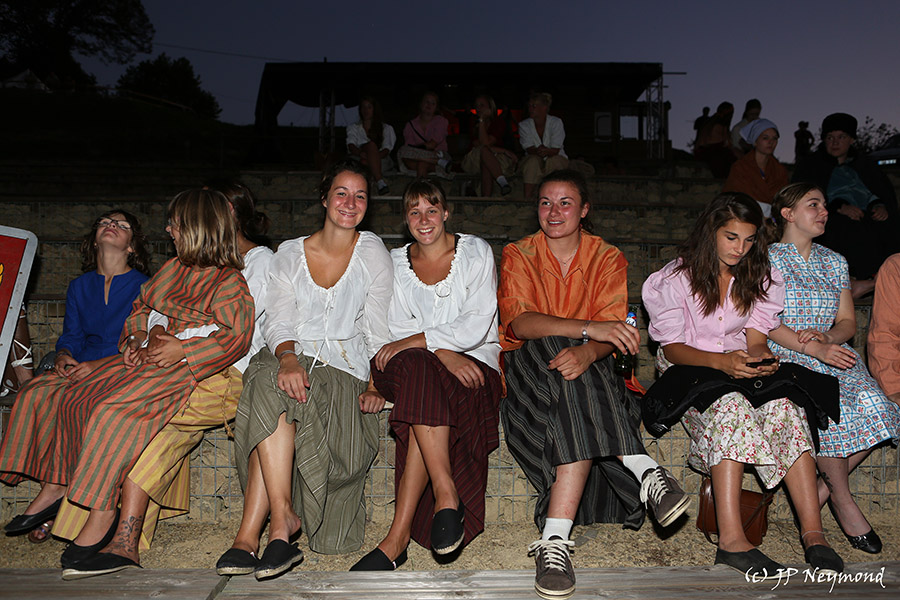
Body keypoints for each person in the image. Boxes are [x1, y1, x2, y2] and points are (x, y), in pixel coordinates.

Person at [49, 182, 276, 577]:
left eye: (175, 224)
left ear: (199, 228)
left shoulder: (234, 277)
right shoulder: (174, 268)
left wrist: (181, 348)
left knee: (121, 416)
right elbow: (142, 306)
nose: (168, 230)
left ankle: (106, 520)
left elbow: (236, 336)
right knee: (90, 401)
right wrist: (138, 338)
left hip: (212, 373)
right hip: (162, 366)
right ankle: (96, 519)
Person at [499, 170, 689, 600]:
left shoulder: (607, 257)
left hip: (591, 373)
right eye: (545, 202)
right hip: (530, 373)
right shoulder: (519, 253)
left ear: (584, 210)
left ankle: (554, 541)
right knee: (555, 344)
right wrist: (587, 332)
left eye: (565, 203)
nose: (554, 212)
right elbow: (521, 323)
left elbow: (615, 333)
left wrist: (589, 350)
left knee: (576, 373)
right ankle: (645, 469)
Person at [642, 192, 843, 578]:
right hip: (689, 365)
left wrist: (760, 357)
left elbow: (755, 337)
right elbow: (672, 348)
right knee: (732, 405)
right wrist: (721, 362)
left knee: (785, 407)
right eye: (731, 237)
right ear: (711, 232)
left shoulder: (757, 273)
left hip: (735, 360)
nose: (740, 248)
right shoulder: (674, 279)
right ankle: (732, 541)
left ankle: (814, 534)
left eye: (749, 239)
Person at [216, 161, 392, 580]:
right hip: (290, 355)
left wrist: (375, 382)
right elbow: (277, 320)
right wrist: (288, 358)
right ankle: (276, 524)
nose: (350, 203)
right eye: (341, 193)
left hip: (343, 367)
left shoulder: (372, 252)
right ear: (324, 198)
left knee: (267, 386)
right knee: (267, 376)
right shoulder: (290, 254)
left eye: (360, 195)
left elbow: (378, 327)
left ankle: (254, 534)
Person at [350, 179, 502, 571]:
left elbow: (477, 321)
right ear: (405, 219)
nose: (424, 219)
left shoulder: (475, 252)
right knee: (420, 370)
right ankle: (446, 493)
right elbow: (396, 328)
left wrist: (434, 347)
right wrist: (442, 352)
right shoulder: (396, 263)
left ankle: (396, 538)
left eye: (432, 210)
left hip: (472, 365)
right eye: (414, 212)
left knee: (423, 385)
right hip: (412, 366)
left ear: (446, 213)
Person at [0, 209, 151, 544]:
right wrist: (64, 356)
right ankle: (52, 490)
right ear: (94, 240)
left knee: (78, 402)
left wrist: (98, 367)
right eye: (105, 223)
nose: (111, 226)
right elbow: (71, 335)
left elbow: (140, 339)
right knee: (36, 393)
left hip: (122, 366)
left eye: (121, 225)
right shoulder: (79, 286)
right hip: (81, 365)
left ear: (132, 246)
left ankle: (58, 496)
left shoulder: (145, 286)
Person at [767, 182, 900, 556]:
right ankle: (843, 502)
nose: (824, 211)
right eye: (814, 205)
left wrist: (827, 338)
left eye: (825, 205)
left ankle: (818, 492)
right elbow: (763, 322)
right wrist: (812, 347)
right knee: (831, 406)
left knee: (881, 406)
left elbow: (848, 322)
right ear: (788, 213)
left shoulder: (835, 261)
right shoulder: (765, 259)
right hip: (788, 353)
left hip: (832, 352)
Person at [793, 112, 900, 288]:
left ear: (851, 140)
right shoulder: (811, 166)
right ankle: (853, 281)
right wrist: (839, 208)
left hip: (867, 214)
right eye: (830, 137)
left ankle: (884, 278)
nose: (835, 142)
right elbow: (801, 197)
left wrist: (880, 206)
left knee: (889, 225)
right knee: (845, 228)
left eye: (841, 137)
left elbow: (880, 192)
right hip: (830, 217)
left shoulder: (865, 165)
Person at [722, 119, 788, 218]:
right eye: (765, 138)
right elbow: (734, 197)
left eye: (774, 138)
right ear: (755, 141)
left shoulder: (780, 170)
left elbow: (783, 198)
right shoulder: (740, 167)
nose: (771, 142)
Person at [461, 94, 516, 196]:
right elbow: (482, 144)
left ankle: (486, 199)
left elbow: (487, 143)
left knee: (486, 159)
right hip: (474, 158)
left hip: (494, 158)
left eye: (482, 105)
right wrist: (481, 120)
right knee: (484, 151)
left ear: (491, 107)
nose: (478, 109)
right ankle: (502, 182)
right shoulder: (473, 122)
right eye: (476, 106)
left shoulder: (498, 122)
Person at [517, 92, 568, 200]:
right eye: (529, 106)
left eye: (534, 106)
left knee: (553, 161)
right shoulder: (524, 125)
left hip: (556, 157)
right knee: (532, 162)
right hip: (534, 157)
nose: (530, 109)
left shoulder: (556, 122)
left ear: (544, 108)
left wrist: (546, 151)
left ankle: (553, 197)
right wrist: (539, 151)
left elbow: (555, 149)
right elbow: (528, 147)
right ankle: (528, 198)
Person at [346, 96, 396, 195]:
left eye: (369, 107)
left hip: (381, 160)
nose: (366, 110)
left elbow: (386, 149)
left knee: (369, 152)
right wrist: (361, 153)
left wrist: (372, 156)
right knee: (368, 151)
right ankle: (380, 182)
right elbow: (351, 145)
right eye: (363, 107)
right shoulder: (354, 128)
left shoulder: (386, 128)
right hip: (359, 158)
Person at [397, 91, 452, 178]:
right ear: (421, 103)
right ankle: (437, 162)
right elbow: (409, 146)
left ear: (436, 107)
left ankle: (438, 162)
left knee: (421, 163)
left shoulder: (441, 121)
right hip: (418, 157)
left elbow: (432, 144)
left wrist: (419, 149)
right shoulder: (410, 125)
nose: (429, 105)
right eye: (427, 102)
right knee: (403, 151)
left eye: (433, 103)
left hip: (436, 154)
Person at [695, 102, 737, 178]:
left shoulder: (712, 122)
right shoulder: (718, 125)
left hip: (709, 151)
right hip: (710, 152)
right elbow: (722, 143)